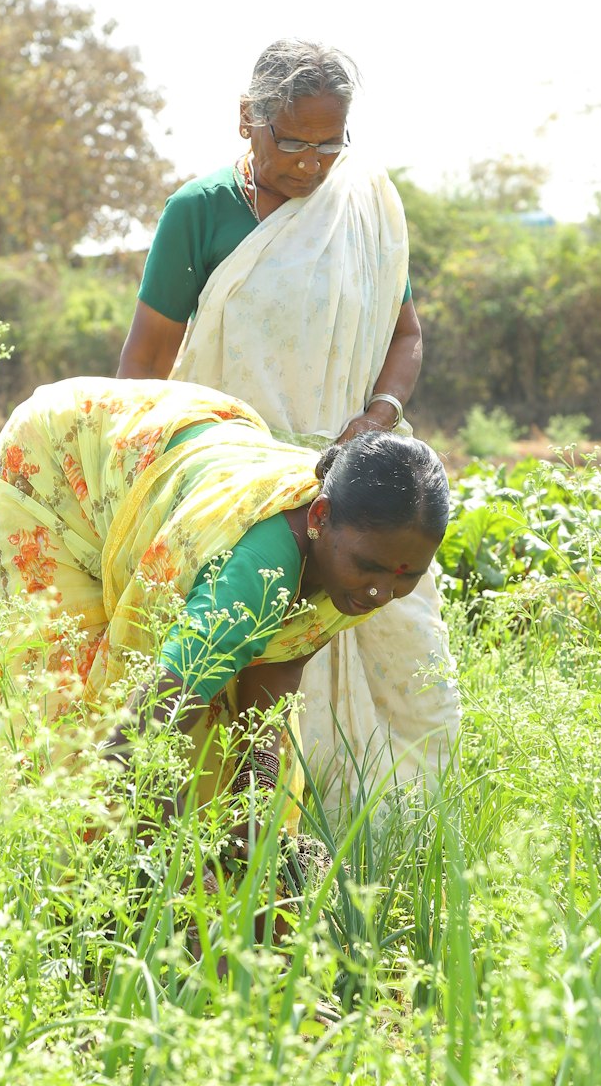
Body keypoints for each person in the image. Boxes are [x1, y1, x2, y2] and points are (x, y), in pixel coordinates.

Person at [117, 39, 460, 806]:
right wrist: (136, 483)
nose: (310, 165)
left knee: (396, 678)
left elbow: (406, 337)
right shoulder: (201, 213)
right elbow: (144, 363)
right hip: (235, 493)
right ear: (248, 122)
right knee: (219, 675)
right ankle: (192, 846)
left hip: (354, 493)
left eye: (329, 145)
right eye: (292, 142)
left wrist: (377, 417)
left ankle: (358, 856)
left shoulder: (366, 211)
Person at [0, 376, 449, 836]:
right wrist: (178, 855)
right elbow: (138, 735)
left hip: (188, 455)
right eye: (370, 568)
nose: (381, 593)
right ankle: (56, 885)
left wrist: (256, 795)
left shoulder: (369, 554)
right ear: (319, 517)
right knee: (73, 718)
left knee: (231, 776)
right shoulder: (253, 576)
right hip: (65, 459)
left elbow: (280, 659)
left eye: (407, 576)